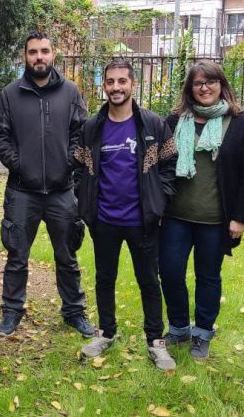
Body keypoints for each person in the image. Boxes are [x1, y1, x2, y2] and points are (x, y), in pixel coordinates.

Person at [73, 59, 179, 370]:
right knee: (105, 278)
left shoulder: (153, 125)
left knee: (148, 280)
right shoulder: (92, 128)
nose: (116, 87)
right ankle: (105, 332)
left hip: (142, 221)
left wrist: (160, 202)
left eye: (122, 81)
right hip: (104, 219)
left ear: (133, 84)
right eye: (110, 82)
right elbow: (79, 167)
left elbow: (170, 167)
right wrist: (86, 200)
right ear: (103, 85)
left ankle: (155, 341)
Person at [0, 31, 94, 338]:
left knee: (67, 256)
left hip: (62, 192)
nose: (39, 57)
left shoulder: (71, 92)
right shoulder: (10, 94)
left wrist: (68, 164)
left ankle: (74, 312)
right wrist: (20, 164)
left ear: (53, 54)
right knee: (17, 256)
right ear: (25, 56)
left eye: (44, 51)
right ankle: (11, 313)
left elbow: (82, 133)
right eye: (33, 51)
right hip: (23, 192)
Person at [159, 61, 244, 360]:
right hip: (175, 216)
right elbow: (160, 164)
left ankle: (202, 332)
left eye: (211, 81)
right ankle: (179, 328)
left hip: (215, 220)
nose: (204, 87)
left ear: (222, 85)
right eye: (197, 83)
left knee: (208, 276)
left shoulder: (241, 124)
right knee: (170, 272)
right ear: (189, 89)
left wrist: (241, 217)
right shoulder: (175, 120)